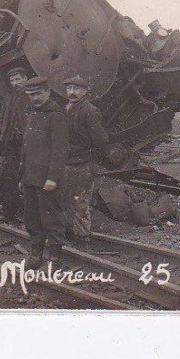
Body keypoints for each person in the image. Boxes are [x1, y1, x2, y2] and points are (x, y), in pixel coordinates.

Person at [18, 76, 68, 268]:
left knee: (51, 219)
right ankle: (36, 255)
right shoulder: (33, 114)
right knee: (32, 219)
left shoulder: (56, 116)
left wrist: (53, 178)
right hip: (30, 177)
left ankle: (54, 258)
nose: (35, 98)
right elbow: (26, 149)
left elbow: (59, 151)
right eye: (31, 95)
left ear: (48, 92)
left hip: (47, 179)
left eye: (38, 93)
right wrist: (22, 177)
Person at [62, 74, 114, 242]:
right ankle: (70, 232)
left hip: (83, 164)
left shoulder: (89, 110)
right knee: (67, 199)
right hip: (68, 162)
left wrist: (90, 156)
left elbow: (101, 139)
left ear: (84, 92)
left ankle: (83, 236)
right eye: (69, 88)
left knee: (80, 201)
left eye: (76, 89)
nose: (72, 92)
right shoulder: (67, 108)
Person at [0, 67, 31, 222]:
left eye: (18, 79)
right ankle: (8, 214)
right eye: (12, 80)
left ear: (25, 79)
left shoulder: (31, 98)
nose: (15, 83)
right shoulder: (9, 98)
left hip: (28, 147)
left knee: (29, 181)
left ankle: (31, 218)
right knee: (9, 180)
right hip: (11, 145)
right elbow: (3, 119)